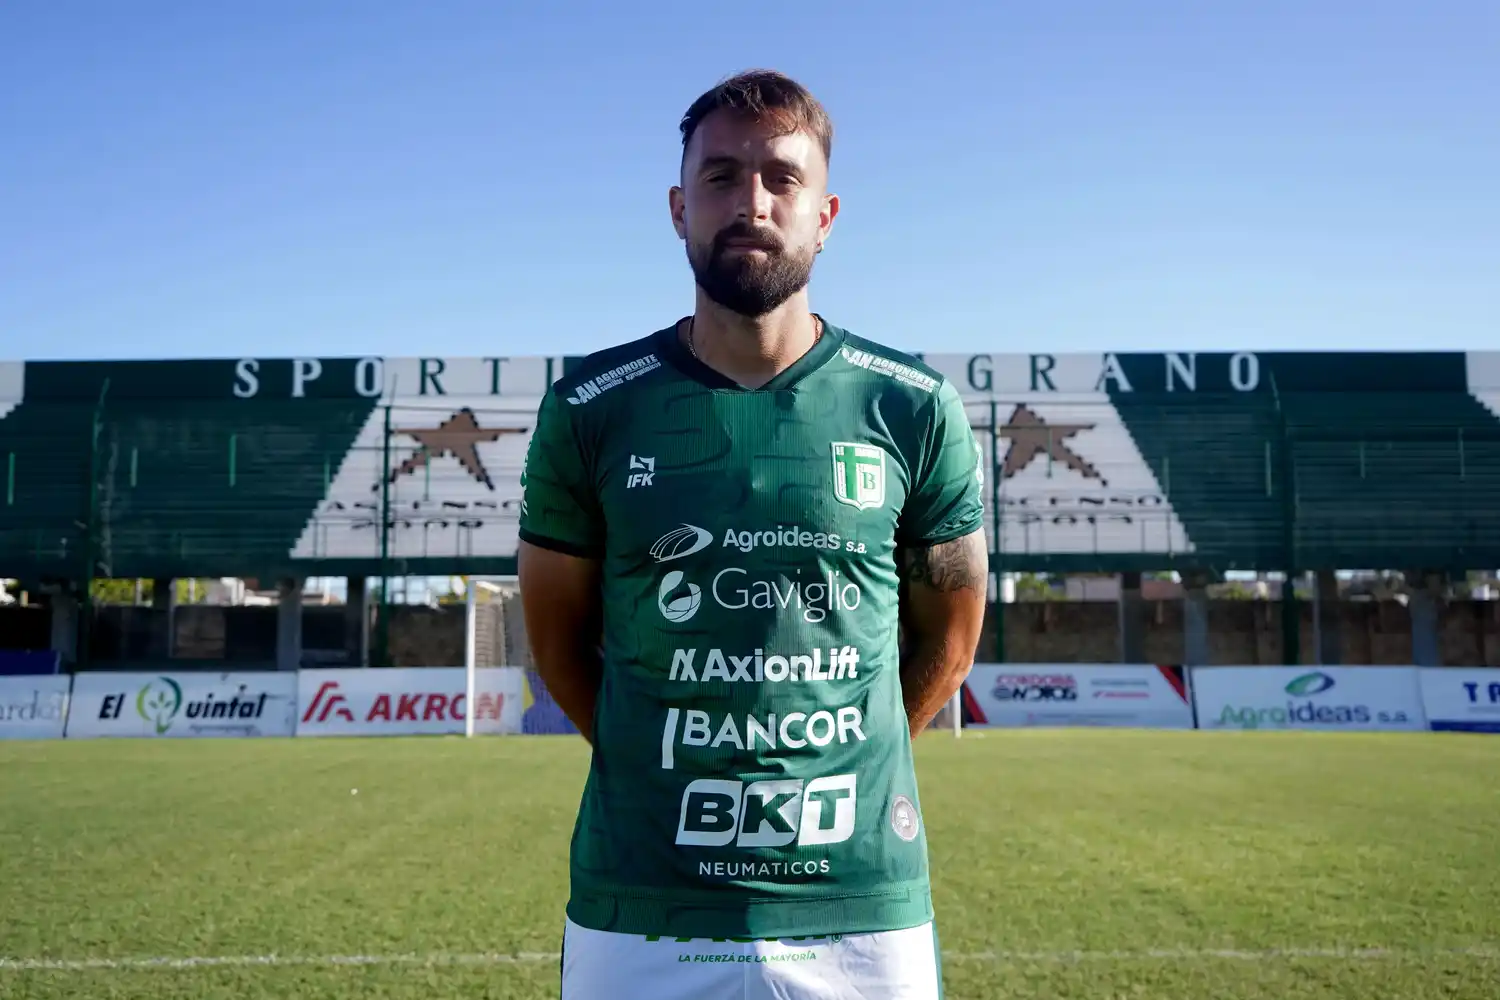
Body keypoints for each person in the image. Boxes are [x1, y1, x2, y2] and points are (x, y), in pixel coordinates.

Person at [517, 68, 989, 1000]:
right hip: (642, 897)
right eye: (722, 177)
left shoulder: (913, 406)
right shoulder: (589, 409)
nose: (751, 202)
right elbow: (558, 646)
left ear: (826, 212)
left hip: (858, 905)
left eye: (782, 178)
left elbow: (953, 638)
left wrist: (847, 756)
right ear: (677, 205)